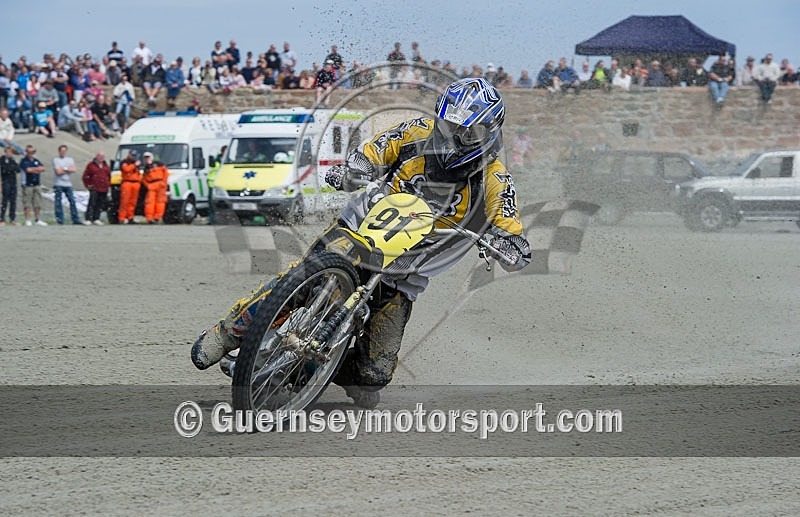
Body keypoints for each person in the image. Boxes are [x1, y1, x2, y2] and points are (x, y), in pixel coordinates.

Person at [190, 78, 531, 408]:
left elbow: (508, 221)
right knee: (309, 280)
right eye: (446, 126)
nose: (451, 137)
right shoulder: (415, 132)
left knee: (374, 374)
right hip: (357, 232)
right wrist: (356, 167)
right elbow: (375, 150)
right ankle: (230, 332)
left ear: (487, 133)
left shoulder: (494, 179)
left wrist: (509, 244)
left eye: (465, 132)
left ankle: (319, 369)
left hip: (403, 275)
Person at [52, 144, 86, 225]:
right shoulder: (56, 160)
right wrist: (67, 169)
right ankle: (60, 219)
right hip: (58, 183)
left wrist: (64, 169)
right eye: (61, 151)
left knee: (72, 201)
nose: (63, 152)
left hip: (68, 184)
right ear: (59, 151)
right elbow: (58, 172)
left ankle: (75, 218)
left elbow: (74, 169)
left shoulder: (70, 160)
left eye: (64, 151)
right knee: (58, 202)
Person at [19, 145, 46, 226]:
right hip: (27, 184)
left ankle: (37, 219)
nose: (31, 154)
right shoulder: (24, 161)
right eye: (29, 152)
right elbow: (27, 170)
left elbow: (43, 168)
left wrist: (34, 169)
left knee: (37, 202)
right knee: (27, 202)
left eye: (32, 152)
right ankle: (27, 219)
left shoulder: (36, 160)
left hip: (36, 184)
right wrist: (36, 169)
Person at [82, 151, 111, 225]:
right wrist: (88, 185)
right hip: (94, 188)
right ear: (96, 156)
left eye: (102, 156)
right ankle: (88, 218)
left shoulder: (105, 165)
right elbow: (85, 176)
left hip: (104, 188)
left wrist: (108, 184)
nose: (101, 158)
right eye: (99, 156)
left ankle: (96, 218)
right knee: (92, 203)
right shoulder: (91, 165)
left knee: (100, 204)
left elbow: (109, 176)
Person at [141, 151, 168, 224]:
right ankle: (149, 218)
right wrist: (147, 185)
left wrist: (164, 183)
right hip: (151, 185)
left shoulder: (159, 164)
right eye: (145, 158)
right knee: (149, 202)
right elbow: (144, 178)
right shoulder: (146, 168)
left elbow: (165, 173)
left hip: (160, 184)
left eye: (148, 157)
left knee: (160, 202)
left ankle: (157, 217)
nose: (147, 159)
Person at [118, 150, 141, 224]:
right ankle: (122, 217)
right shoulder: (125, 162)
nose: (133, 157)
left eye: (134, 155)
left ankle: (130, 217)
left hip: (135, 183)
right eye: (132, 155)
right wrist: (134, 165)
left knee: (132, 202)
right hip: (127, 183)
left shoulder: (135, 163)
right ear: (129, 155)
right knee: (125, 201)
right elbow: (126, 169)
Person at [0, 146, 20, 225]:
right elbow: (5, 170)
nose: (9, 154)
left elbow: (18, 169)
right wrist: (12, 168)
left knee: (13, 201)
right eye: (8, 152)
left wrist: (11, 168)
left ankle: (12, 219)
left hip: (13, 182)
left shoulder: (13, 160)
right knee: (5, 201)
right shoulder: (2, 159)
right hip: (6, 182)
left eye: (11, 152)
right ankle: (2, 218)